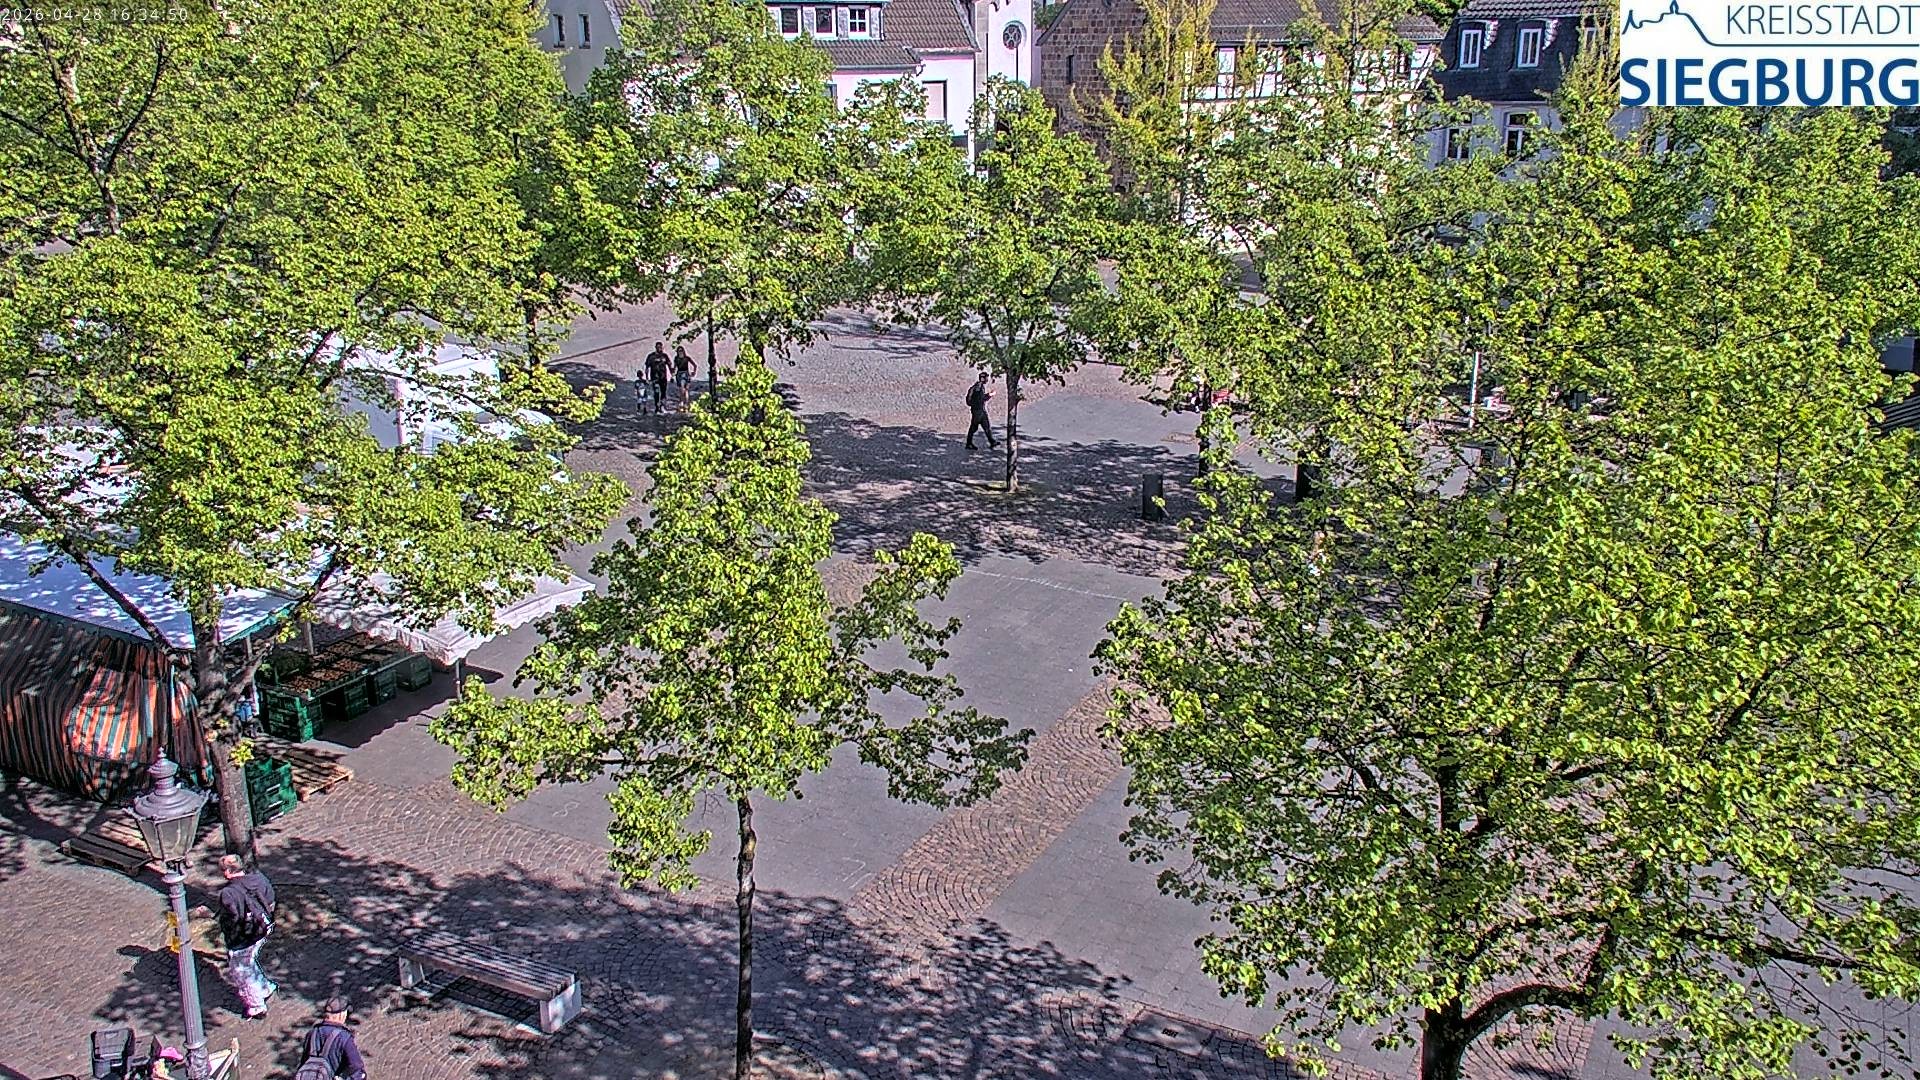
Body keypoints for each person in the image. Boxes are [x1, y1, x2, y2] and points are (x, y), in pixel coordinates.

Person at [215, 853, 276, 1019]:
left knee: (241, 970)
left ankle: (257, 1006)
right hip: (263, 928)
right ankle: (264, 987)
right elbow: (271, 900)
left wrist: (209, 916)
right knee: (249, 961)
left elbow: (232, 919)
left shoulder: (228, 893)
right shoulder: (258, 878)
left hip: (242, 938)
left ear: (227, 872)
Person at [294, 997, 368, 1080]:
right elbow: (356, 1066)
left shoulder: (312, 1033)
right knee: (361, 1075)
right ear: (341, 1014)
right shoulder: (344, 1037)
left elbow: (304, 1061)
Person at [965, 372, 996, 451]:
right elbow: (980, 399)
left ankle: (992, 441)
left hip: (980, 410)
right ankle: (969, 443)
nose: (987, 380)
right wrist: (990, 395)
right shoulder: (978, 388)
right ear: (983, 378)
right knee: (973, 427)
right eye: (986, 378)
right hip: (977, 411)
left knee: (986, 426)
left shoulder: (979, 386)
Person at [644, 341, 671, 415]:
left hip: (663, 377)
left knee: (663, 392)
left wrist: (672, 375)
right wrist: (646, 378)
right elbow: (647, 368)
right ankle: (657, 407)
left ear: (662, 348)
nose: (659, 349)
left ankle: (662, 406)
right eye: (658, 347)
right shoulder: (651, 356)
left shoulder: (665, 356)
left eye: (661, 347)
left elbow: (669, 365)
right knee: (656, 392)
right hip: (654, 377)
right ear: (655, 348)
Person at [672, 345, 695, 410]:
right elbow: (675, 367)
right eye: (679, 351)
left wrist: (693, 372)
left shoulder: (687, 358)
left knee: (685, 390)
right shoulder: (676, 358)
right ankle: (682, 402)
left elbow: (694, 365)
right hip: (679, 373)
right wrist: (673, 373)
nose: (680, 352)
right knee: (681, 390)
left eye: (681, 351)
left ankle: (685, 403)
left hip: (685, 373)